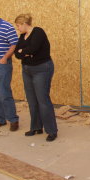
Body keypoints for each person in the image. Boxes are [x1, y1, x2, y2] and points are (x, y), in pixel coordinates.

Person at [14, 14, 58, 142]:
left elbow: (33, 49)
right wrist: (24, 52)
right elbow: (17, 53)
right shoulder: (22, 36)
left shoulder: (38, 32)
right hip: (27, 70)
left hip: (41, 69)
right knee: (32, 100)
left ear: (24, 24)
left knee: (43, 100)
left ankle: (51, 131)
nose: (18, 29)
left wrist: (25, 52)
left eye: (18, 26)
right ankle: (36, 127)